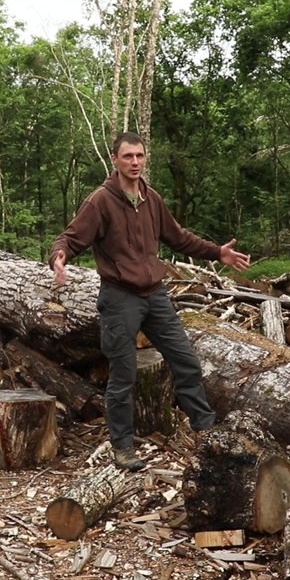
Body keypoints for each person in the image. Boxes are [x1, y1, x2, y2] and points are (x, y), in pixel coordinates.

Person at [49, 132, 251, 471]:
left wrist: (218, 253)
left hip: (155, 295)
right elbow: (70, 238)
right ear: (115, 159)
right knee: (123, 374)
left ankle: (205, 430)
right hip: (119, 297)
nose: (134, 163)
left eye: (140, 156)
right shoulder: (100, 201)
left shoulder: (151, 198)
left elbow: (179, 238)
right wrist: (58, 258)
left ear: (145, 158)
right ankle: (123, 446)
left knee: (186, 361)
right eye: (128, 156)